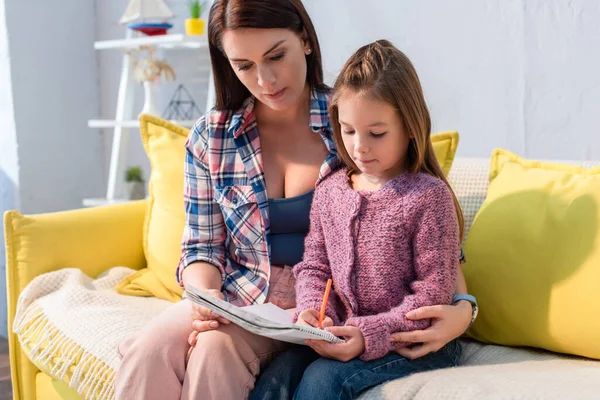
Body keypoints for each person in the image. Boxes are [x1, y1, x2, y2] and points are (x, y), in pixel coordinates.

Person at [114, 1, 476, 399]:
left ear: (304, 39)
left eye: (276, 56)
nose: (265, 79)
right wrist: (208, 298)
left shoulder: (350, 120)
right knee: (149, 350)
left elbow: (434, 244)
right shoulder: (211, 138)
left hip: (309, 310)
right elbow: (202, 245)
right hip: (238, 295)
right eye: (244, 65)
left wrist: (463, 311)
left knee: (214, 352)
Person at [253, 39, 465, 400]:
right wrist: (311, 313)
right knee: (277, 376)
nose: (359, 147)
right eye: (348, 131)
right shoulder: (331, 189)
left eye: (377, 133)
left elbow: (434, 293)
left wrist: (368, 335)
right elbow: (315, 268)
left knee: (324, 380)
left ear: (410, 126)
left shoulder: (428, 198)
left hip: (413, 340)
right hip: (342, 332)